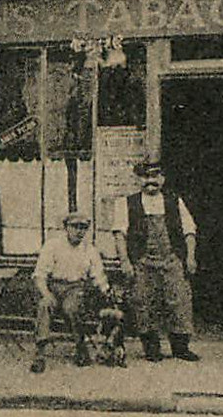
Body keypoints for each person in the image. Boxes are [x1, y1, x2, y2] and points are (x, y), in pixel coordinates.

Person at [109, 159, 200, 363]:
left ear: (163, 178)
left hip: (172, 259)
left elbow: (189, 231)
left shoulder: (174, 201)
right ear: (138, 179)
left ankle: (180, 348)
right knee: (144, 302)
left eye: (155, 177)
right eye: (146, 177)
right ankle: (152, 348)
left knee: (179, 300)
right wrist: (125, 261)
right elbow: (119, 234)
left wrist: (190, 256)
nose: (151, 181)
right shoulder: (126, 203)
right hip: (142, 260)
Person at [30, 212, 113, 373]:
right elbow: (40, 275)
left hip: (76, 288)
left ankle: (80, 347)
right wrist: (46, 293)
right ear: (66, 228)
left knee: (72, 308)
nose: (79, 231)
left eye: (84, 227)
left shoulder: (89, 249)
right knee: (44, 305)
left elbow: (98, 275)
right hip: (53, 286)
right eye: (75, 226)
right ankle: (40, 353)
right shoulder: (53, 245)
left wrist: (106, 291)